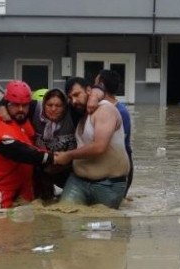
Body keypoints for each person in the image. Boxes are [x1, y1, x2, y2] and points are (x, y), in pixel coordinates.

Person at [54, 77, 130, 209]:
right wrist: (4, 106)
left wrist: (68, 156)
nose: (74, 101)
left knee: (102, 226)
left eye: (77, 95)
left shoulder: (105, 109)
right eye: (70, 97)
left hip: (108, 184)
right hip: (77, 182)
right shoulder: (80, 114)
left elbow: (99, 147)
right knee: (63, 218)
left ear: (89, 90)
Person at [0, 80, 55, 208]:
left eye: (25, 105)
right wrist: (53, 157)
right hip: (0, 193)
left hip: (23, 190)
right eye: (16, 105)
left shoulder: (24, 122)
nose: (21, 109)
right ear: (7, 104)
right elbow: (19, 152)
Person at [0, 88, 80, 200]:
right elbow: (11, 101)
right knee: (40, 202)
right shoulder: (34, 109)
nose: (53, 109)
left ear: (65, 107)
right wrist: (1, 107)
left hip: (67, 169)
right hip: (41, 168)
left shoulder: (74, 114)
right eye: (49, 105)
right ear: (44, 104)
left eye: (58, 106)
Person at [89, 70, 134, 199]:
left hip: (118, 170)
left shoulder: (120, 112)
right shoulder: (97, 107)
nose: (93, 87)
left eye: (95, 84)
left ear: (101, 85)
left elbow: (109, 145)